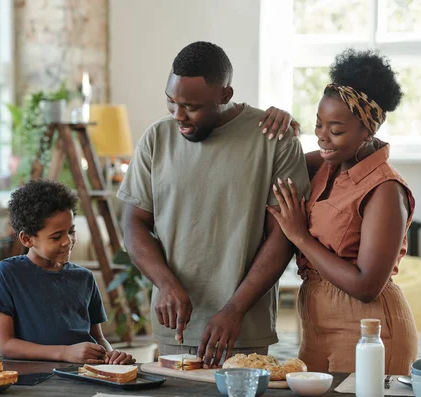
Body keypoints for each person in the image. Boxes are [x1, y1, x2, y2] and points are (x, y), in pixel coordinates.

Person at [116, 41, 311, 368]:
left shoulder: (273, 139)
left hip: (243, 327)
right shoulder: (156, 138)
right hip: (174, 328)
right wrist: (165, 283)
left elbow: (282, 237)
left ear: (225, 94)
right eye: (171, 101)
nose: (179, 115)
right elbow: (133, 223)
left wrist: (234, 310)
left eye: (191, 106)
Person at [267, 48, 418, 374]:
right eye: (319, 124)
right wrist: (276, 125)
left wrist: (299, 237)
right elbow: (271, 164)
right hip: (317, 327)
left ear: (368, 131)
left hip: (371, 331)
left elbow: (366, 286)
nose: (322, 136)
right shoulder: (324, 164)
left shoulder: (386, 191)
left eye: (335, 130)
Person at [0, 180, 135, 365]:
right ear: (26, 239)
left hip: (84, 376)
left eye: (71, 231)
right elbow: (5, 345)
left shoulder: (85, 278)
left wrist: (111, 356)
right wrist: (64, 353)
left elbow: (98, 338)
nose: (67, 241)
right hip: (35, 381)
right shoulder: (7, 274)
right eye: (56, 236)